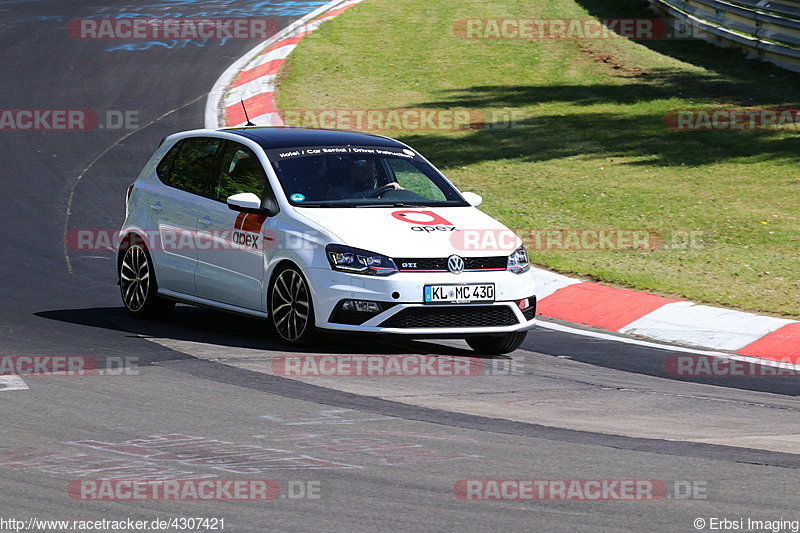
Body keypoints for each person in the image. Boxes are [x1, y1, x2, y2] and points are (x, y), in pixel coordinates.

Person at [329, 158, 403, 200]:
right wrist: (381, 189)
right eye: (367, 171)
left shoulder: (381, 197)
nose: (371, 176)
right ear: (354, 173)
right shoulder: (336, 192)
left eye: (374, 173)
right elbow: (351, 199)